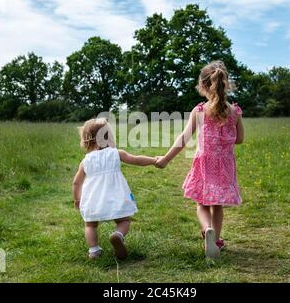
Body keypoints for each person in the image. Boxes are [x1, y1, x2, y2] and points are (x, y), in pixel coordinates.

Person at [156, 60, 245, 258]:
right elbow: (239, 139)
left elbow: (183, 139)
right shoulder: (235, 112)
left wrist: (165, 159)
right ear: (224, 84)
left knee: (201, 204)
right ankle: (216, 241)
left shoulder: (199, 111)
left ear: (204, 86)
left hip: (204, 163)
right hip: (225, 165)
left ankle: (207, 229)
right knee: (217, 205)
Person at [73, 118, 157, 260]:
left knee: (90, 225)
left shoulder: (86, 161)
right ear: (108, 136)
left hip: (93, 199)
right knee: (124, 221)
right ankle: (118, 235)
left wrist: (77, 199)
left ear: (86, 139)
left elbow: (76, 182)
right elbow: (136, 160)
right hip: (115, 196)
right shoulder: (117, 153)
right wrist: (154, 160)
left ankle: (93, 251)